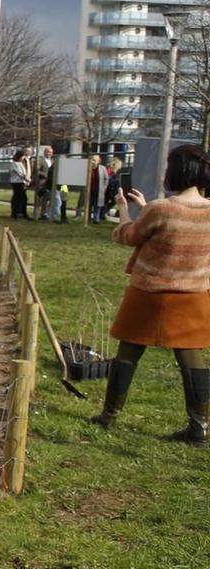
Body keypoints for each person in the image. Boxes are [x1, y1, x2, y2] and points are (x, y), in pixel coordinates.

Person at [93, 144, 210, 445]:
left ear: (176, 172)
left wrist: (123, 207)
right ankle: (199, 428)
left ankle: (109, 415)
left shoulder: (161, 209)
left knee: (127, 355)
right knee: (193, 364)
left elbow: (128, 236)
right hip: (193, 296)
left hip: (148, 294)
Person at [10, 148, 31, 222]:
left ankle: (22, 212)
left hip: (22, 182)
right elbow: (20, 173)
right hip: (17, 182)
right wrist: (27, 179)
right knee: (18, 197)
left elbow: (24, 172)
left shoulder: (20, 163)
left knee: (23, 198)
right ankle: (16, 213)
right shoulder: (14, 164)